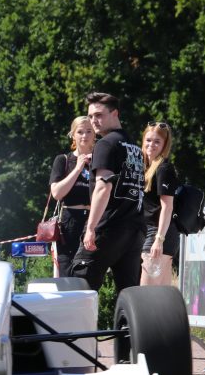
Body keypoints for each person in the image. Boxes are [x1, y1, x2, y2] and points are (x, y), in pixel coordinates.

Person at [69, 92, 145, 292]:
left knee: (80, 286)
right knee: (129, 294)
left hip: (108, 228)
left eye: (99, 115)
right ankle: (128, 325)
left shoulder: (105, 144)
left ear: (115, 114)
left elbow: (103, 186)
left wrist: (91, 227)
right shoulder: (134, 147)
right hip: (134, 231)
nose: (94, 120)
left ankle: (79, 325)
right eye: (91, 116)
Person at [48, 116, 95, 276]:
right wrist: (78, 168)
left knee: (90, 269)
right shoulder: (63, 160)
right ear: (73, 135)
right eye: (80, 132)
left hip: (93, 220)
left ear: (95, 134)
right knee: (66, 269)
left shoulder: (101, 161)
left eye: (89, 131)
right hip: (70, 221)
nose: (85, 136)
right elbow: (56, 193)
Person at [139, 121, 178, 286]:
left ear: (164, 145)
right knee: (160, 295)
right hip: (153, 233)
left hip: (159, 234)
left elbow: (167, 206)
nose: (151, 145)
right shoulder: (146, 167)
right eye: (148, 140)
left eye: (157, 142)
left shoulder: (163, 168)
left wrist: (158, 240)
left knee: (146, 294)